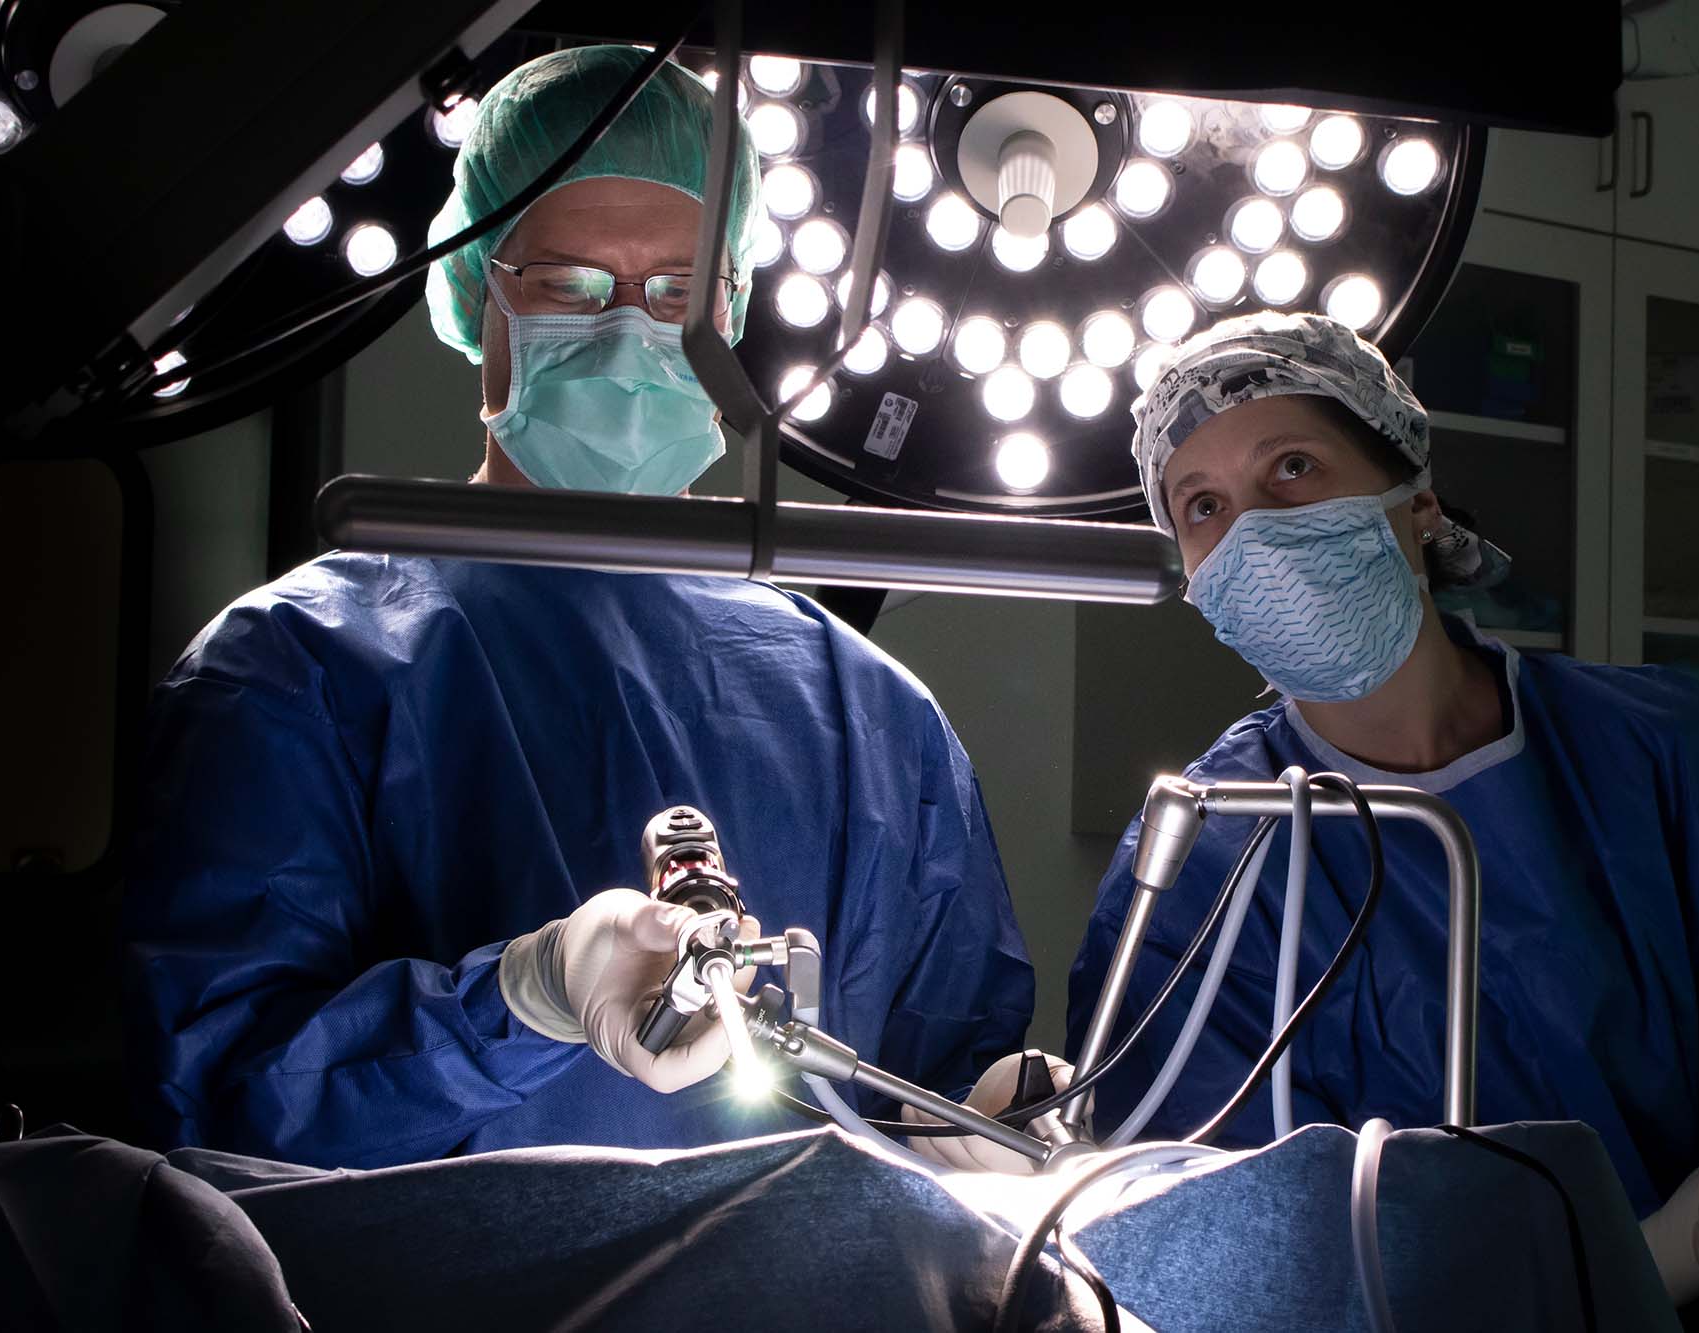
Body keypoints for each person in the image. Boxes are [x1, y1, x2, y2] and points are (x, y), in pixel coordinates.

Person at [123, 47, 1035, 1169]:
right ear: (478, 293)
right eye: (570, 285)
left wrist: (992, 1127)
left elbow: (944, 1088)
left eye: (677, 294)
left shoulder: (875, 716)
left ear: (731, 311)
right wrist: (522, 997)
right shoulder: (293, 666)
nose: (629, 329)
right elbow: (221, 1099)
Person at [1065, 312, 1699, 1307]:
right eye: (1203, 505)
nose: (1254, 531)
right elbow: (1215, 1241)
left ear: (1417, 502)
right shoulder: (1201, 863)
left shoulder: (1674, 753)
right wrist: (1646, 1261)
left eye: (1291, 467)